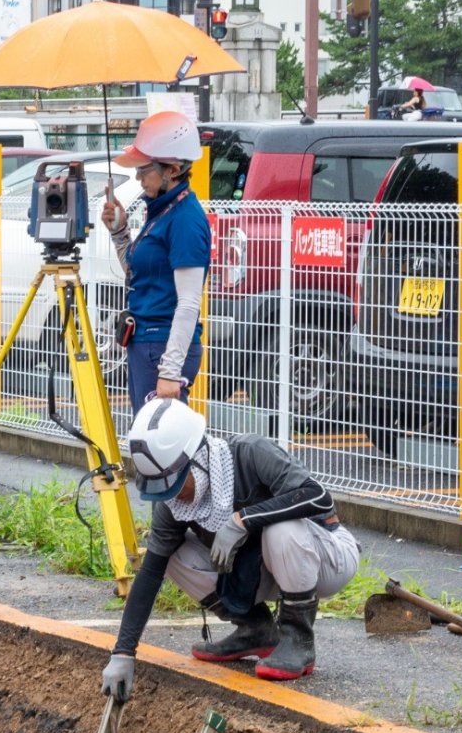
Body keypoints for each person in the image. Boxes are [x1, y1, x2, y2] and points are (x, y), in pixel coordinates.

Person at [98, 399, 360, 691]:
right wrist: (123, 652)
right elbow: (150, 574)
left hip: (327, 557)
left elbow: (318, 497)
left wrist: (243, 520)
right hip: (262, 571)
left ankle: (297, 639)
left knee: (280, 528)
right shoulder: (173, 504)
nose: (173, 496)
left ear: (196, 459)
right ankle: (256, 630)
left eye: (176, 483)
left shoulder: (250, 454)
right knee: (171, 554)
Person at [98, 110, 208, 412]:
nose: (138, 177)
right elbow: (136, 272)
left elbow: (188, 302)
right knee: (147, 444)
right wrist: (120, 230)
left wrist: (170, 371)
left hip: (160, 347)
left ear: (171, 169)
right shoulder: (161, 211)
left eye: (145, 169)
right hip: (146, 342)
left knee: (159, 450)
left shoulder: (185, 220)